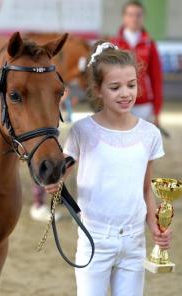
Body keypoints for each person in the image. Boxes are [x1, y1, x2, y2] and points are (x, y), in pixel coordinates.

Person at [45, 41, 172, 295]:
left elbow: (145, 188)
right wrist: (53, 182)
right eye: (115, 87)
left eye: (131, 85)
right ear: (97, 89)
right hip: (95, 243)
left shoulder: (150, 135)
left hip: (133, 243)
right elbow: (59, 172)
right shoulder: (83, 131)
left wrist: (154, 226)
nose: (126, 93)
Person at [111, 1, 163, 126]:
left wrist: (157, 110)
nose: (134, 18)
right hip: (120, 103)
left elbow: (156, 78)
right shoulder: (114, 44)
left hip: (144, 105)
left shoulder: (150, 44)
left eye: (138, 15)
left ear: (143, 17)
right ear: (124, 17)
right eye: (130, 14)